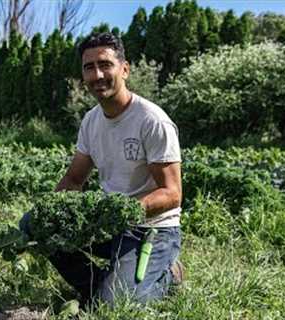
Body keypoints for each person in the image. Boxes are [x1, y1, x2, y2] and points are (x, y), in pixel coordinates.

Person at [20, 32, 183, 305]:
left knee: (116, 306)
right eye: (89, 67)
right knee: (34, 223)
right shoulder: (91, 121)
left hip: (152, 230)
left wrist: (124, 211)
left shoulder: (152, 121)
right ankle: (101, 283)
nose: (97, 75)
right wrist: (46, 212)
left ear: (125, 69)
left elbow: (172, 193)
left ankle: (169, 275)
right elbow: (74, 179)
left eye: (105, 64)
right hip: (108, 225)